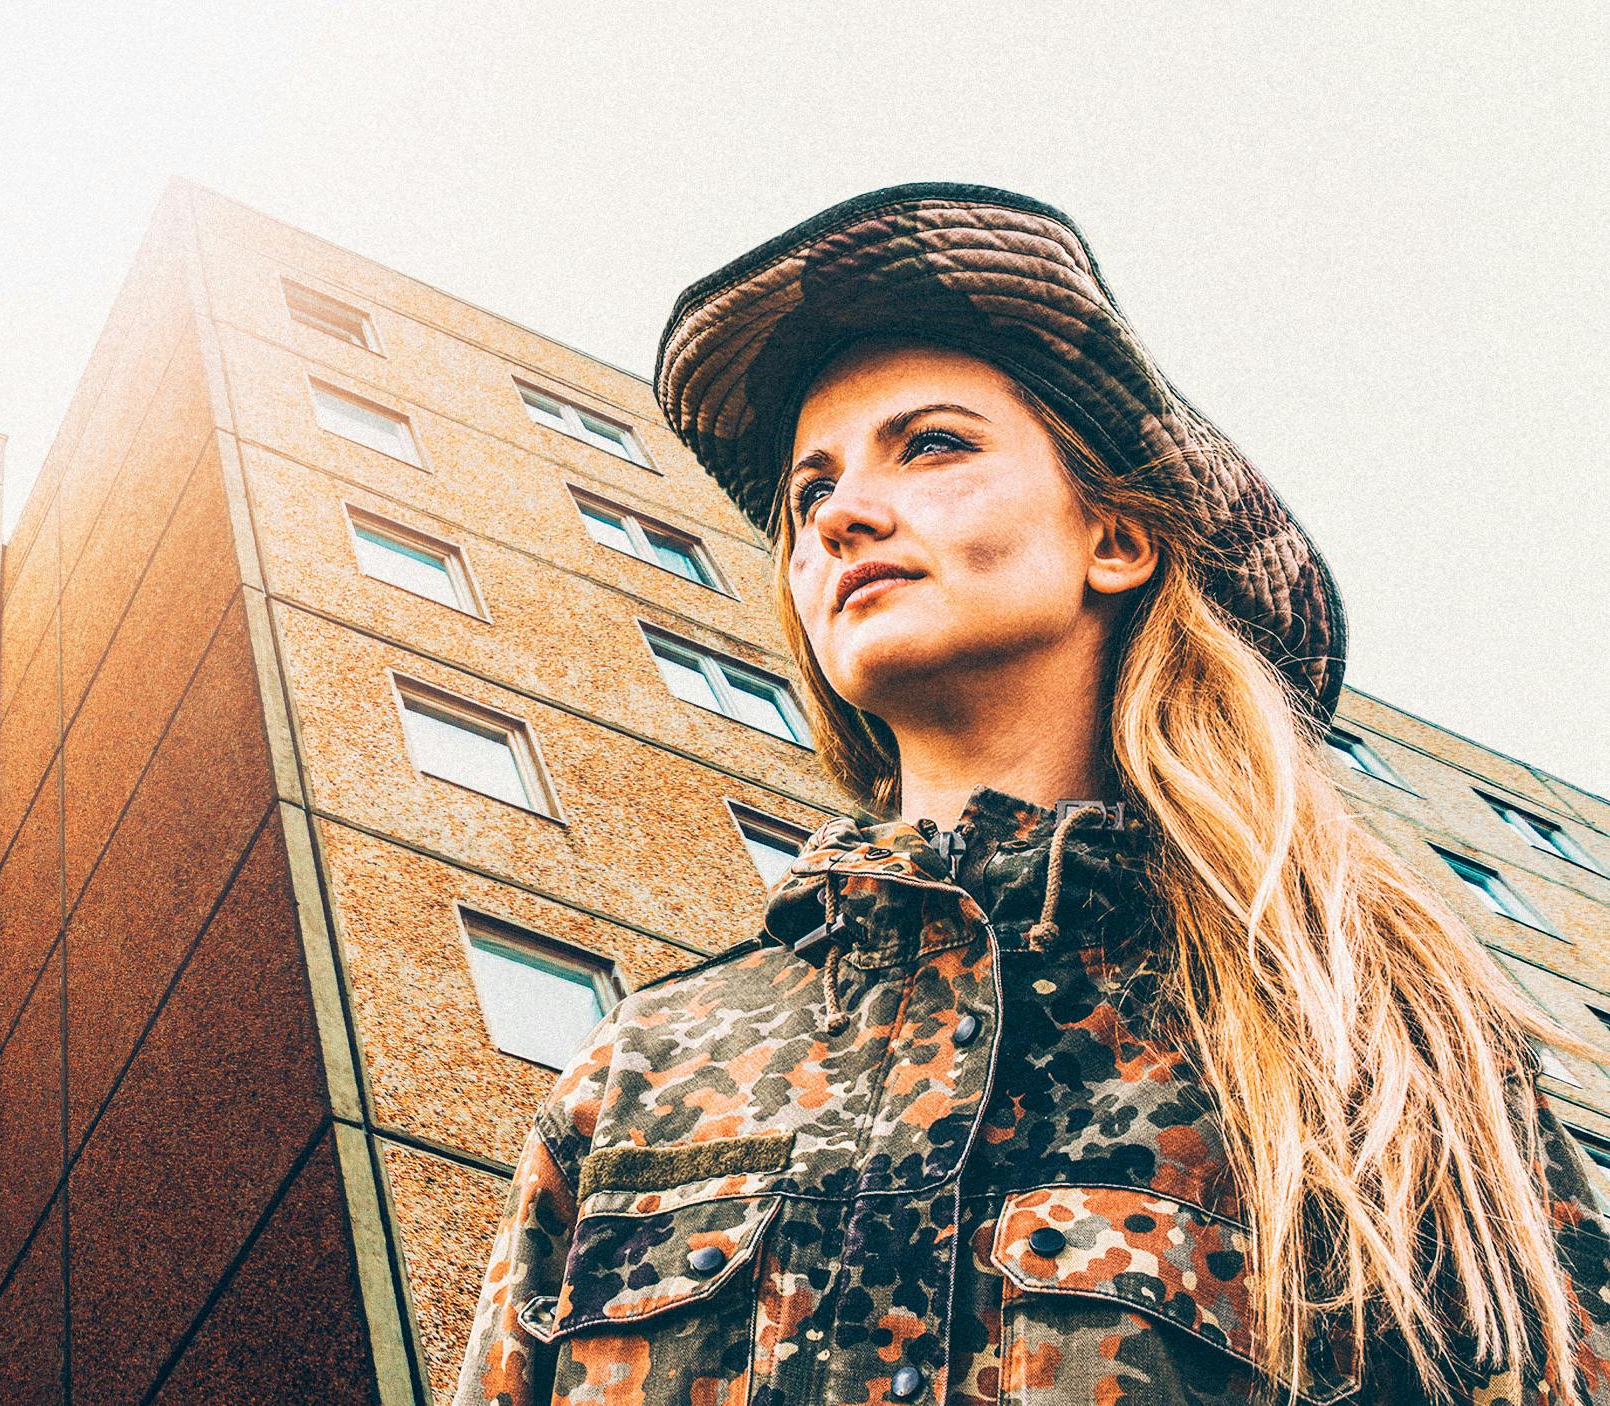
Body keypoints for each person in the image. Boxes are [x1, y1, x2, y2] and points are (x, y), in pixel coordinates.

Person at [447, 183, 1610, 1406]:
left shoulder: (1366, 1043)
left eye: (932, 443)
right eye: (808, 492)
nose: (841, 513)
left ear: (1115, 537)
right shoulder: (638, 1062)